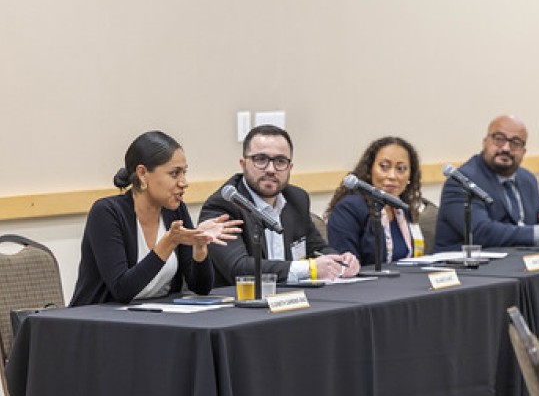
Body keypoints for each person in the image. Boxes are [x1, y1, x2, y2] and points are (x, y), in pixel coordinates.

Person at [70, 131, 242, 306]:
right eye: (175, 174)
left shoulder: (175, 210)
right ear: (143, 173)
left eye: (184, 173)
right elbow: (122, 290)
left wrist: (200, 245)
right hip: (98, 322)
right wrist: (168, 242)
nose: (184, 183)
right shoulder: (107, 212)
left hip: (157, 321)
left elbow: (200, 288)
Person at [199, 124, 360, 286]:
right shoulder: (224, 204)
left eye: (280, 161)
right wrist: (308, 269)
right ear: (243, 164)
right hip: (240, 305)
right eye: (260, 160)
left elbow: (315, 248)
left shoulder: (297, 199)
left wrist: (340, 261)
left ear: (290, 168)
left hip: (290, 301)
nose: (270, 169)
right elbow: (239, 269)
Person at [434, 115, 539, 252]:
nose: (506, 148)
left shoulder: (527, 179)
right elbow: (481, 232)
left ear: (523, 152)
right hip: (465, 268)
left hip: (515, 263)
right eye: (499, 139)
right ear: (485, 142)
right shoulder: (463, 180)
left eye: (515, 142)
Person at [324, 136, 426, 265]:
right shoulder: (349, 209)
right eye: (384, 167)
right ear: (369, 169)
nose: (392, 176)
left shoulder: (404, 207)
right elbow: (345, 265)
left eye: (401, 169)